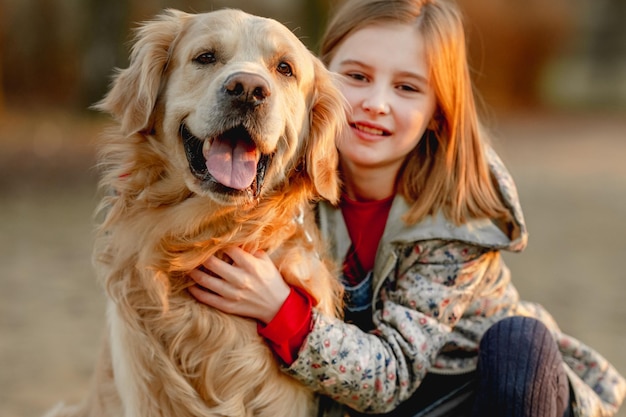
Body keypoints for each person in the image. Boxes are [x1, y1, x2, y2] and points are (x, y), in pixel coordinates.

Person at [188, 0, 626, 416]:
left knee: (519, 341)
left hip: (474, 393)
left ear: (438, 111)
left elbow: (391, 376)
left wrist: (281, 309)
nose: (376, 103)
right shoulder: (279, 173)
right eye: (356, 77)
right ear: (314, 86)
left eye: (406, 87)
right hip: (366, 402)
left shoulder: (458, 219)